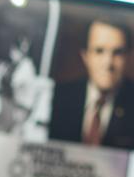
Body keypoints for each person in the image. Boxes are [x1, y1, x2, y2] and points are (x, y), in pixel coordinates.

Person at [48, 17, 134, 150]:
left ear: (128, 57)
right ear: (85, 56)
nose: (108, 63)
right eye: (99, 51)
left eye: (117, 53)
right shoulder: (57, 97)